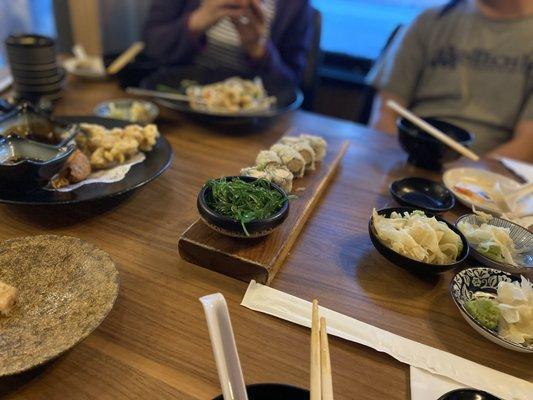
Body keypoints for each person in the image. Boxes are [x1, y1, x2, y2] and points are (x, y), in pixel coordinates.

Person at [367, 0, 533, 161]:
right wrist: (395, 161)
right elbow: (386, 111)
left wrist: (471, 178)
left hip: (487, 176)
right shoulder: (429, 20)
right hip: (410, 157)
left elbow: (527, 143)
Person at [143, 0, 313, 84]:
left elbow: (292, 83)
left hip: (254, 122)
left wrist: (258, 50)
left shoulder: (295, 5)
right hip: (181, 103)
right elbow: (152, 47)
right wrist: (195, 23)